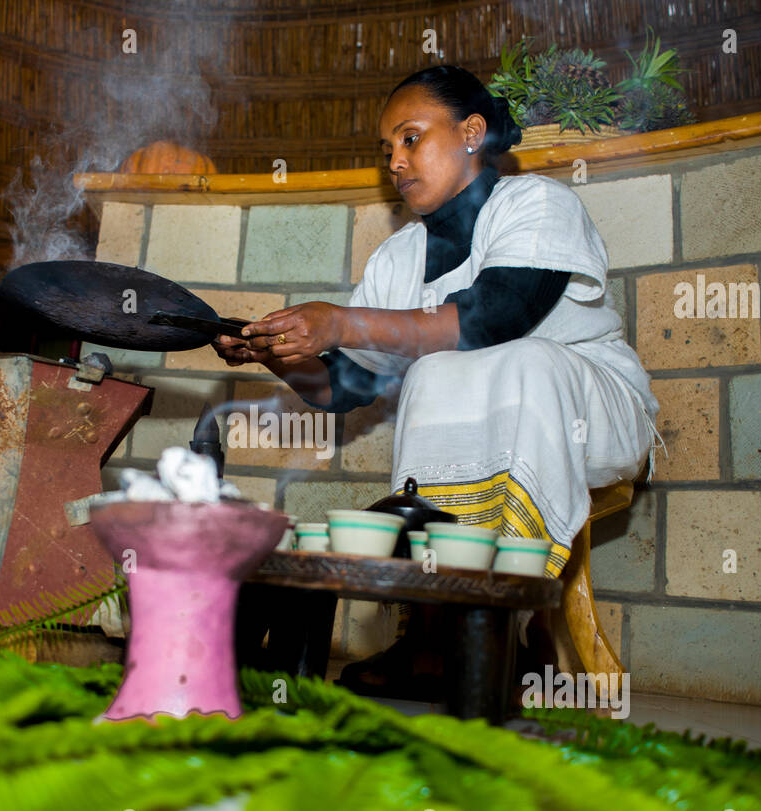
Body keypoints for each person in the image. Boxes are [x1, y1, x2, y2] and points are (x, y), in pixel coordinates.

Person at [212, 64, 664, 696]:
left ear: (472, 131)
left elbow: (496, 316)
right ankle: (434, 631)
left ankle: (515, 624)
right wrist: (275, 352)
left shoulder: (536, 204)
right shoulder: (398, 257)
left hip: (591, 414)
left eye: (410, 138)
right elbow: (345, 390)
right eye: (387, 150)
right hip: (509, 412)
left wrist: (340, 321)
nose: (395, 162)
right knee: (435, 370)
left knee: (514, 360)